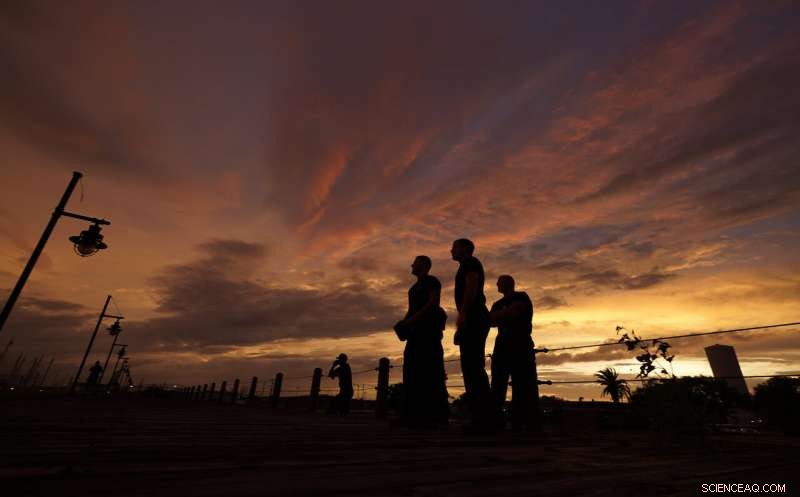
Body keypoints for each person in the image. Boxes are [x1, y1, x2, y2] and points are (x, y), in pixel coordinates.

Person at [394, 255, 449, 427]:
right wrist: (404, 324)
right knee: (411, 371)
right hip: (415, 333)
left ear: (424, 265)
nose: (412, 265)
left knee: (432, 372)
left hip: (429, 332)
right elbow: (411, 309)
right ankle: (412, 415)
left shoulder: (432, 281)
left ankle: (438, 416)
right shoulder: (413, 288)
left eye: (415, 263)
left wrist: (411, 321)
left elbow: (433, 304)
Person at [451, 238, 495, 432]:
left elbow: (472, 287)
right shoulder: (466, 265)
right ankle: (482, 417)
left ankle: (484, 419)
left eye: (454, 247)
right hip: (474, 317)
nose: (451, 250)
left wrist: (463, 314)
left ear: (465, 249)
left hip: (474, 317)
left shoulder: (470, 263)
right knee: (471, 367)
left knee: (473, 367)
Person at [489, 275, 541, 432]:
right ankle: (496, 421)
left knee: (523, 385)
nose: (497, 284)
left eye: (499, 281)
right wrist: (505, 314)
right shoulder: (497, 303)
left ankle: (522, 422)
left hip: (521, 345)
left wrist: (502, 315)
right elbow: (491, 321)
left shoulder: (521, 296)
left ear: (508, 283)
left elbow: (511, 313)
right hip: (501, 347)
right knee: (498, 385)